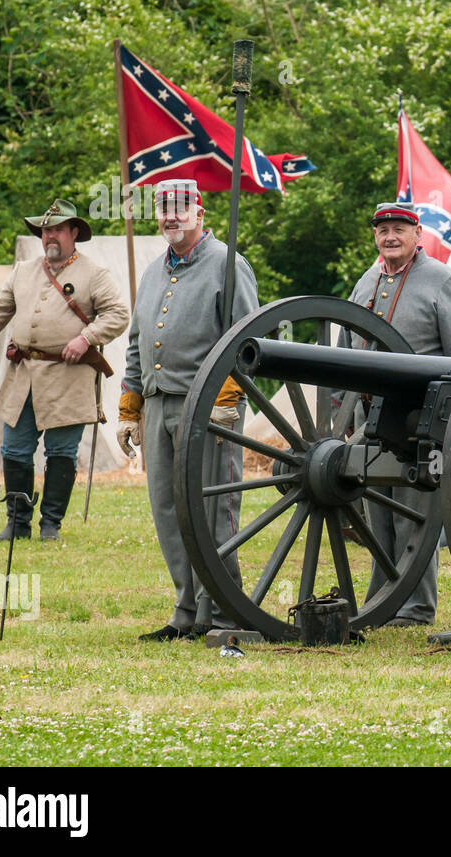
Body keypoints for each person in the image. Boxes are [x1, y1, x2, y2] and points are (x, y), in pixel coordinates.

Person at [119, 179, 259, 642]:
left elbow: (247, 341)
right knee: (168, 508)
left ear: (200, 213)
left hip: (208, 406)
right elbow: (138, 341)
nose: (171, 216)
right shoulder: (155, 270)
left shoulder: (228, 265)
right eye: (163, 208)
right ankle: (185, 611)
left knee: (213, 509)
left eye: (181, 208)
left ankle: (220, 610)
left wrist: (227, 401)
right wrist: (130, 403)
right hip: (159, 407)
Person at [0, 198, 129, 541]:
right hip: (23, 377)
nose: (50, 236)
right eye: (45, 230)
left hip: (69, 378)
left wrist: (86, 338)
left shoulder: (95, 274)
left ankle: (51, 526)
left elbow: (118, 314)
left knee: (61, 453)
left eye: (57, 230)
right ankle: (17, 525)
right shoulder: (24, 271)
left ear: (73, 232)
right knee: (15, 451)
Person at [348, 203, 451, 626]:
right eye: (382, 230)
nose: (390, 237)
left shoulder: (441, 280)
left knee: (414, 517)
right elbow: (350, 353)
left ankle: (416, 606)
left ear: (417, 233)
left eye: (398, 230)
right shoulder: (366, 281)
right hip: (372, 419)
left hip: (420, 420)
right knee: (378, 520)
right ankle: (382, 599)